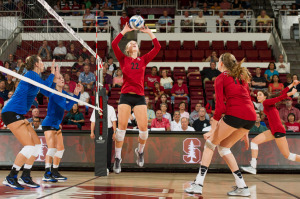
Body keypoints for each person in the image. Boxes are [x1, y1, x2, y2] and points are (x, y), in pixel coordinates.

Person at [185, 53, 256, 196]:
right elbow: (247, 100)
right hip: (251, 117)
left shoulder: (221, 78)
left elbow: (220, 109)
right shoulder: (242, 77)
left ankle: (198, 184)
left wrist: (212, 130)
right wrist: (245, 132)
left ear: (222, 63)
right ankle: (242, 187)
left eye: (218, 61)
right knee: (223, 148)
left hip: (235, 114)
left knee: (210, 144)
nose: (217, 63)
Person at [1, 57, 58, 190]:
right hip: (10, 112)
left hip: (18, 114)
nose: (44, 64)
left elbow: (47, 91)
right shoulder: (31, 74)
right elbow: (44, 88)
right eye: (42, 62)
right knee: (29, 146)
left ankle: (25, 176)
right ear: (37, 64)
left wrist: (54, 80)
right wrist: (52, 75)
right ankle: (11, 176)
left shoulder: (35, 76)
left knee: (37, 145)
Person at [111, 23, 161, 174]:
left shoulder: (143, 60)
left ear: (138, 49)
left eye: (135, 43)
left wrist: (149, 33)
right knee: (121, 130)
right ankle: (118, 158)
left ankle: (139, 151)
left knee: (144, 130)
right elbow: (114, 44)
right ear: (128, 49)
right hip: (125, 96)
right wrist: (124, 31)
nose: (133, 43)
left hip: (139, 97)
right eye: (131, 43)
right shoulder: (123, 59)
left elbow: (157, 47)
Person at [241, 81, 300, 175]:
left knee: (287, 155)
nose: (257, 96)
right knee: (254, 142)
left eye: (260, 94)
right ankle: (253, 166)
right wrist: (292, 84)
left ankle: (253, 166)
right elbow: (281, 93)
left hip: (278, 130)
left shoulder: (266, 102)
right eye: (257, 95)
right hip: (273, 131)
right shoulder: (268, 103)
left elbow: (280, 97)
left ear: (265, 96)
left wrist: (291, 93)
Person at [90, 103, 117, 172]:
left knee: (108, 149)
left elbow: (113, 121)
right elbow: (93, 121)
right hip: (98, 130)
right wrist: (92, 132)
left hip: (108, 129)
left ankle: (107, 167)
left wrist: (114, 132)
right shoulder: (96, 108)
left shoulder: (111, 108)